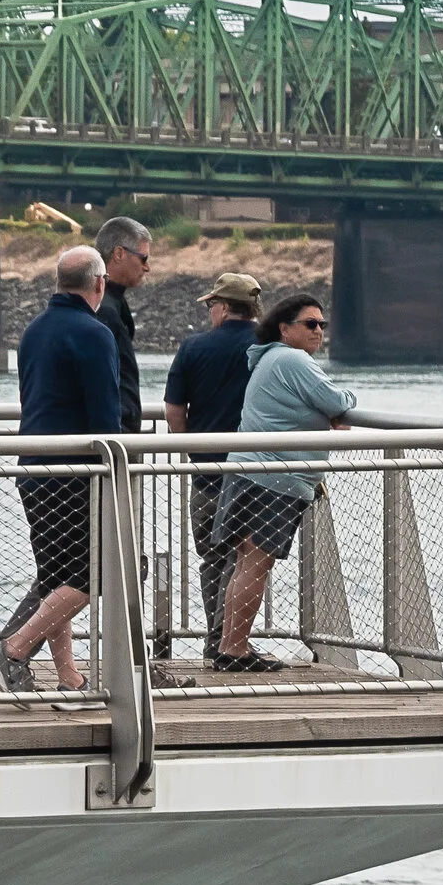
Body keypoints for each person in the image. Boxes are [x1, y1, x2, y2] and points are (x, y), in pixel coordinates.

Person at [0, 244, 119, 697]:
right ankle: (14, 649)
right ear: (99, 283)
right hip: (76, 474)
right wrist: (115, 465)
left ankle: (69, 678)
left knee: (57, 574)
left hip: (33, 467)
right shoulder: (94, 333)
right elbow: (105, 415)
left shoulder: (35, 330)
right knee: (94, 573)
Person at [211, 291, 357, 672]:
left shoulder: (269, 359)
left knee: (245, 562)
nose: (319, 332)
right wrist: (344, 403)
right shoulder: (292, 359)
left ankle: (230, 646)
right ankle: (235, 649)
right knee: (256, 564)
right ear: (284, 328)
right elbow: (335, 399)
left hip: (249, 471)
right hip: (274, 478)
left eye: (322, 325)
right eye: (310, 324)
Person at [162, 272, 264, 659]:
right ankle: (230, 641)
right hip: (257, 470)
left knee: (213, 555)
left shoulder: (193, 347)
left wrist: (194, 452)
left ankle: (215, 637)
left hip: (207, 472)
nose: (209, 312)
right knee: (249, 557)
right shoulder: (271, 346)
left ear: (222, 307)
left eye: (210, 305)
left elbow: (174, 410)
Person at [91, 214, 151, 435]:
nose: (147, 267)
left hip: (116, 433)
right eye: (143, 259)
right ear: (119, 253)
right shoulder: (104, 308)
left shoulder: (109, 301)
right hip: (114, 438)